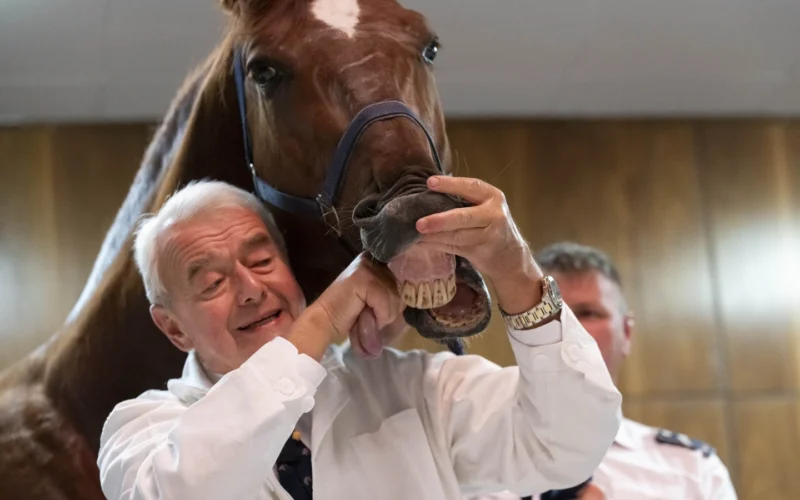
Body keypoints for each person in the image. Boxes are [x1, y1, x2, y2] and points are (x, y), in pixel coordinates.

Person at [96, 178, 622, 500]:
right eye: (211, 282)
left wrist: (518, 276)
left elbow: (568, 446)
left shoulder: (416, 390)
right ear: (173, 327)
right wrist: (323, 320)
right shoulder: (142, 429)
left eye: (262, 261)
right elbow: (190, 490)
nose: (251, 289)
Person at [472, 242, 737, 500]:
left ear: (626, 332)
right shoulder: (474, 465)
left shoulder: (693, 473)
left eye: (588, 313)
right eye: (554, 314)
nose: (570, 328)